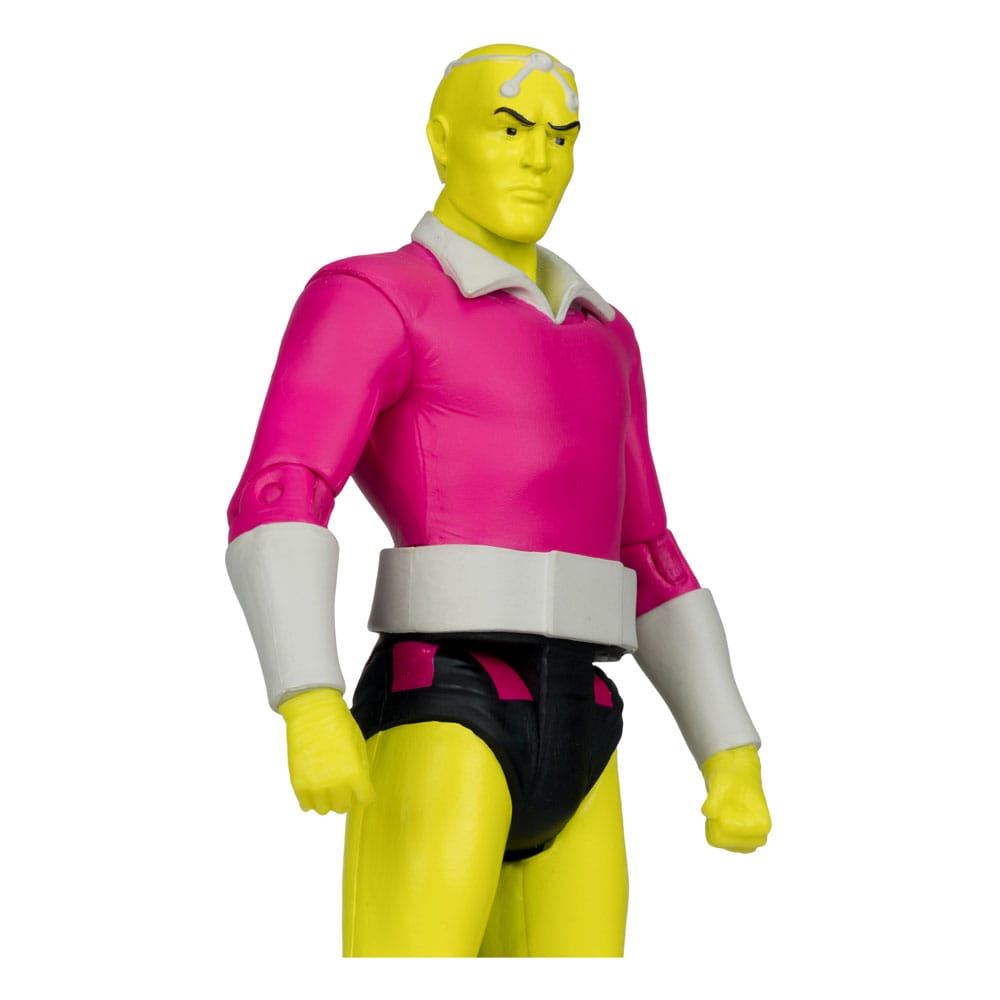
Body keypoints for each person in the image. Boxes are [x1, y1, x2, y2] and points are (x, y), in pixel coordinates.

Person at [226, 44, 771, 957]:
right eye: (510, 128)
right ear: (443, 141)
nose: (538, 159)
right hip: (447, 699)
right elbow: (283, 490)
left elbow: (645, 549)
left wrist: (729, 749)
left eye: (562, 136)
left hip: (584, 711)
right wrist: (309, 697)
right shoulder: (374, 296)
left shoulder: (603, 333)